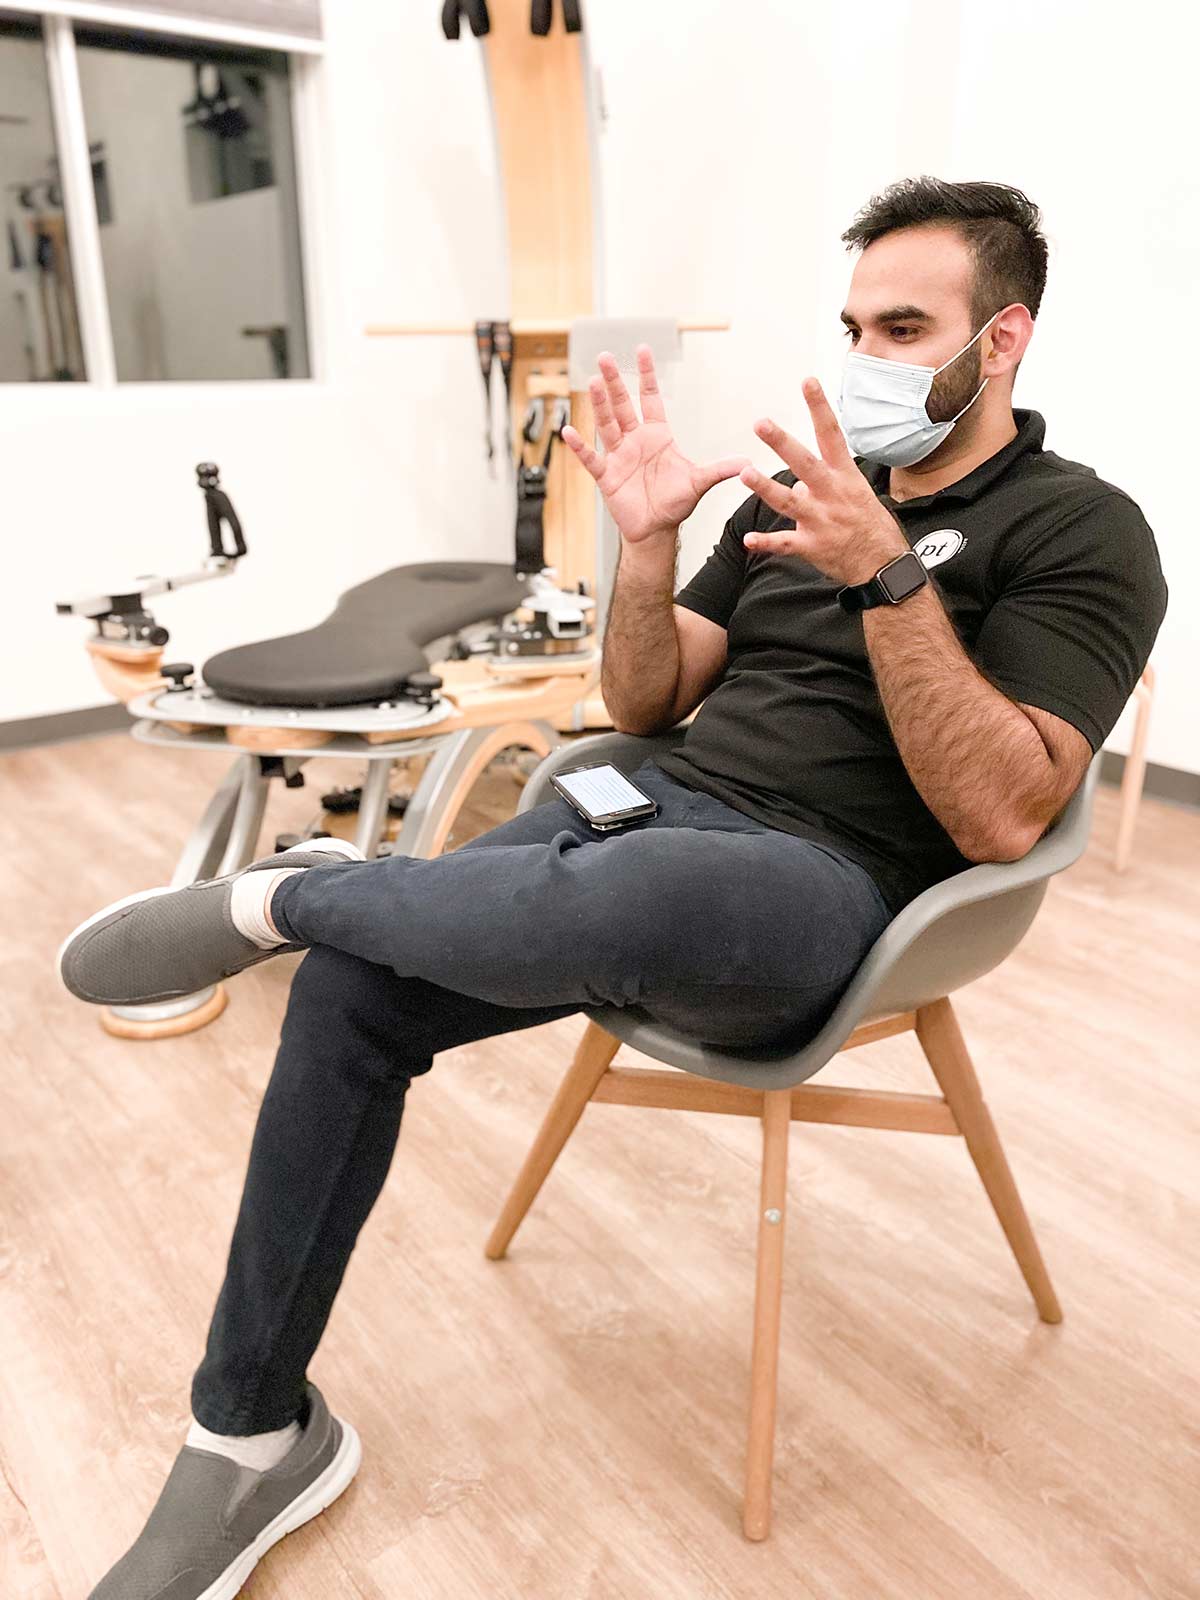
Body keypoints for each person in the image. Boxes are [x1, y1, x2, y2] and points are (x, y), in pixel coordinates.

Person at [61, 177, 1167, 1599]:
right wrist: (644, 550)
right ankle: (251, 1433)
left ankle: (293, 897)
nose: (866, 357)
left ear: (1001, 342)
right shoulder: (800, 498)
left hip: (836, 885)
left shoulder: (1084, 530)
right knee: (357, 995)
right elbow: (642, 701)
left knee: (606, 893)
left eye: (906, 327)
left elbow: (1008, 810)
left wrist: (891, 578)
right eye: (851, 325)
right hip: (663, 797)